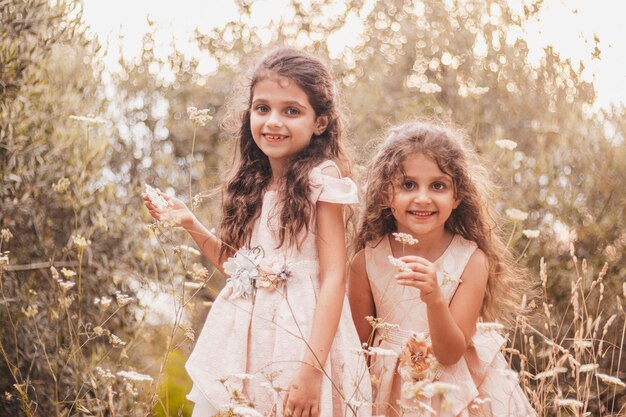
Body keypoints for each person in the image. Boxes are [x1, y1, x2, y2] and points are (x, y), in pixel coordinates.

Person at [143, 48, 371, 416]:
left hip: (300, 343)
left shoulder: (322, 178)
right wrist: (191, 223)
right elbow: (239, 272)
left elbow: (333, 279)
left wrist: (311, 371)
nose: (273, 121)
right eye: (262, 108)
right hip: (245, 345)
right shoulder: (252, 184)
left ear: (321, 122)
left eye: (291, 111)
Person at [348, 121, 536, 416]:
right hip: (388, 395)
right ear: (386, 194)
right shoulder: (366, 262)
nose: (423, 197)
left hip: (453, 393)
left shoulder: (470, 260)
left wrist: (435, 298)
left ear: (457, 195)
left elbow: (449, 354)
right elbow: (357, 350)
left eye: (438, 185)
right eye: (408, 185)